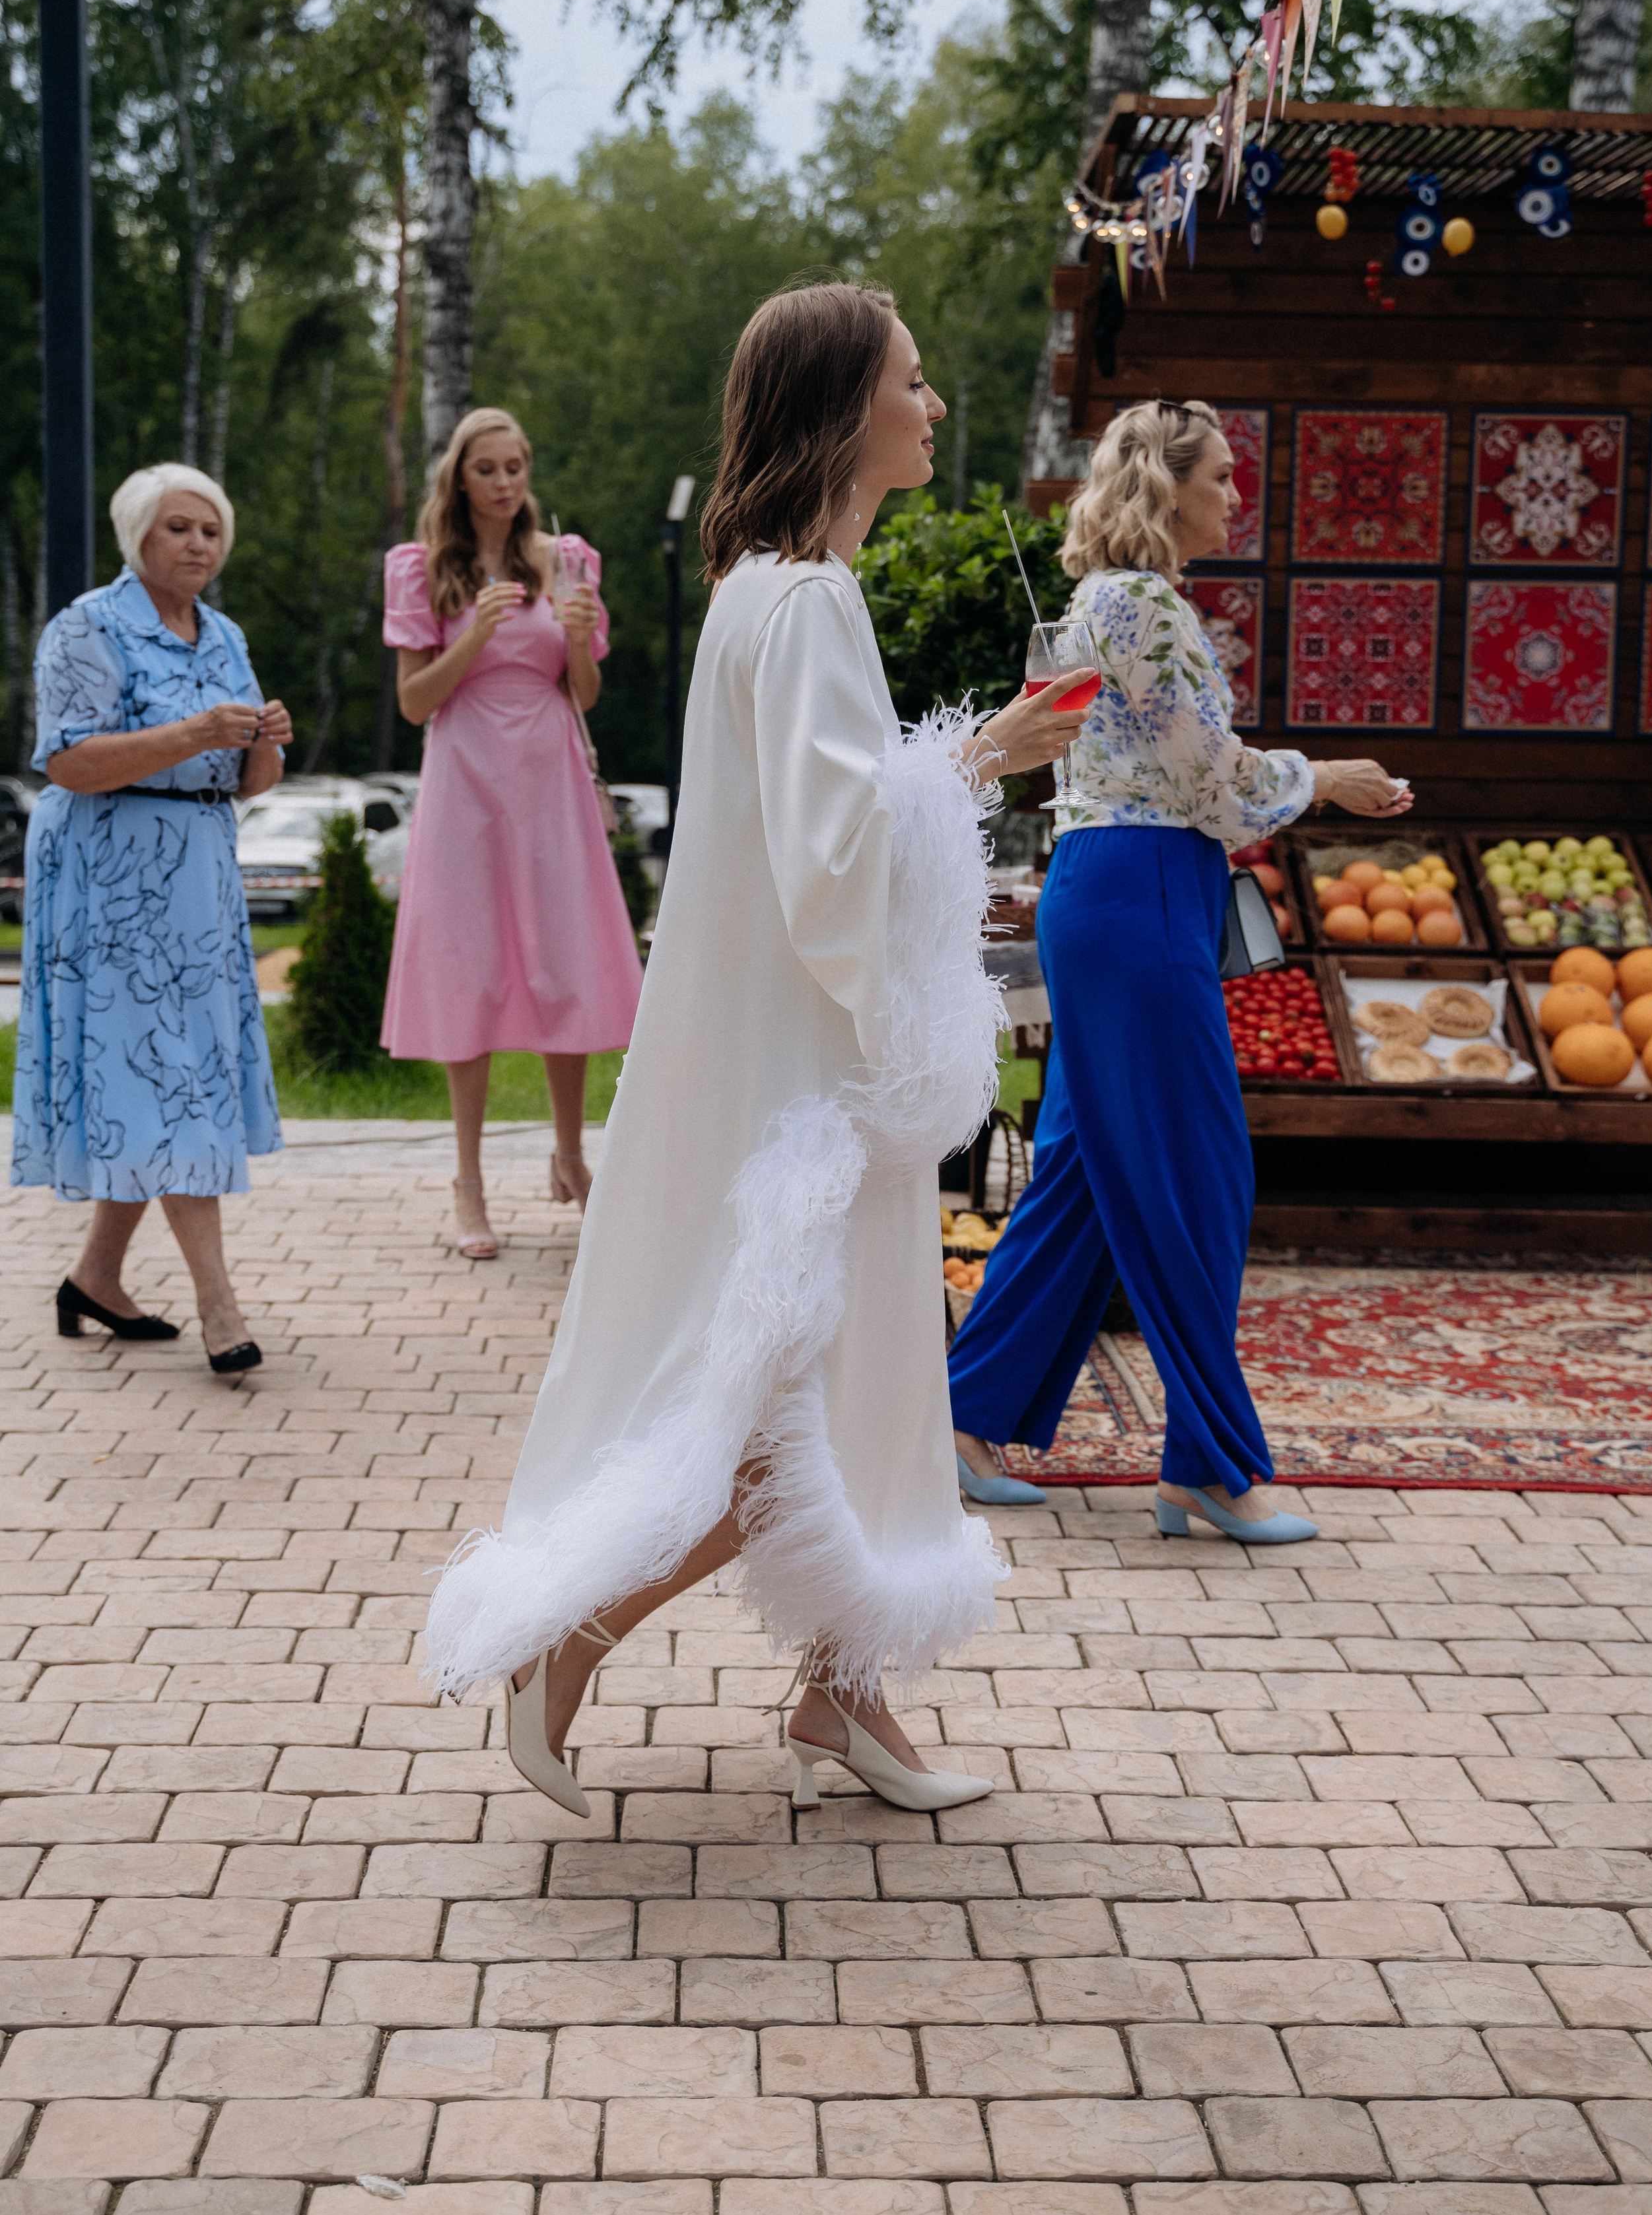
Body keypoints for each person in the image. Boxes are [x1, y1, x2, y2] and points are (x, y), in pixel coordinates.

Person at [423, 282, 1085, 1814]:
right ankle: (564, 1643)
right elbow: (833, 852)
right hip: (810, 1089)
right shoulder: (801, 601)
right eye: (911, 383)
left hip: (802, 1075)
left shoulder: (762, 593)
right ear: (846, 407)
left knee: (846, 1388)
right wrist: (984, 750)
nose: (930, 408)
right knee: (764, 1414)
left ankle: (842, 1695)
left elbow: (822, 833)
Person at [948, 398, 1412, 1542]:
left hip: (1116, 892)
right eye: (1221, 474)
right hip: (1143, 894)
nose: (1235, 493)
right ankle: (1208, 1463)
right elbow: (1215, 782)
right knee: (1200, 1175)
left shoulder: (1102, 605)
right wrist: (1330, 775)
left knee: (1087, 1179)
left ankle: (963, 1417)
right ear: (1167, 486)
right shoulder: (1142, 605)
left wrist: (1300, 777)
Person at [11, 465, 291, 1378]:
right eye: (178, 528)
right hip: (111, 881)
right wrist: (193, 734)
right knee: (170, 1084)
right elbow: (68, 762)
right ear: (138, 535)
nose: (198, 545)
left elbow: (247, 782)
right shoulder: (87, 626)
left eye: (211, 531)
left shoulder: (225, 634)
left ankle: (95, 1277)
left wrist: (264, 746)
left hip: (199, 886)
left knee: (168, 1081)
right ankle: (221, 1307)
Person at [382, 407, 644, 1256]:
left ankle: (569, 1158)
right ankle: (469, 1185)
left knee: (563, 959)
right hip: (464, 780)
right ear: (460, 477)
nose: (504, 483)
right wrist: (477, 637)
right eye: (488, 469)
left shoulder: (563, 559)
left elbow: (586, 694)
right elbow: (416, 702)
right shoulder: (421, 570)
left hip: (550, 779)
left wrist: (577, 645)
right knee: (470, 968)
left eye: (516, 467)